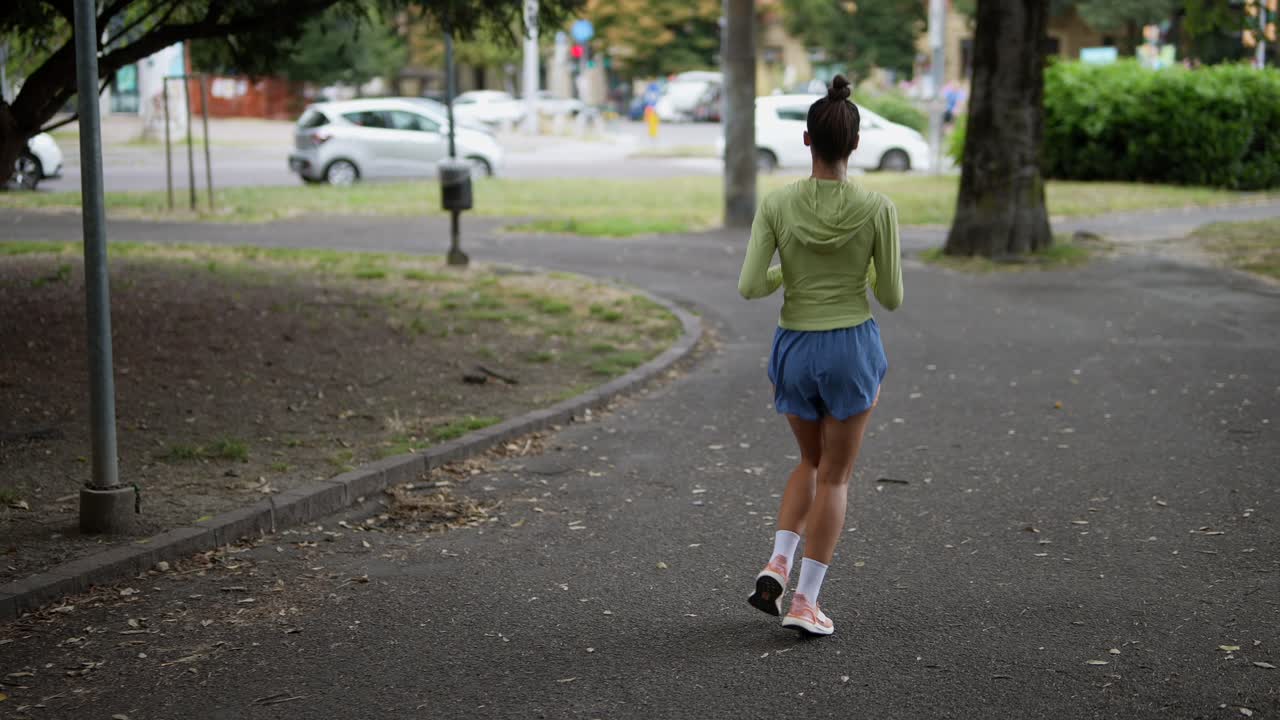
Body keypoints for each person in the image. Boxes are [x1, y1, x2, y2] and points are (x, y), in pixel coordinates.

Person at [737, 75, 903, 637]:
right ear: (855, 145)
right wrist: (860, 270)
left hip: (795, 347)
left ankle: (777, 561)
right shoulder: (878, 207)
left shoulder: (778, 203)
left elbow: (751, 286)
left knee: (808, 463)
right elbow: (893, 296)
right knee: (835, 477)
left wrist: (795, 270)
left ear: (806, 140)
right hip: (851, 347)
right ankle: (806, 603)